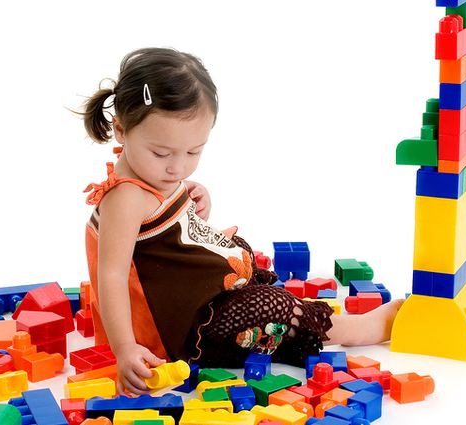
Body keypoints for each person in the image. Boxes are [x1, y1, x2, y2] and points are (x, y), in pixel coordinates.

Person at [79, 47, 403, 395]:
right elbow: (111, 275)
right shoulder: (125, 198)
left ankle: (276, 310)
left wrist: (193, 199)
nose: (178, 168)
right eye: (161, 153)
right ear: (121, 131)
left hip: (196, 293)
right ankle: (356, 330)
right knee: (274, 309)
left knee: (245, 258)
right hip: (185, 329)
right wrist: (125, 348)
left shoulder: (154, 177)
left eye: (193, 152)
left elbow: (163, 235)